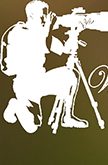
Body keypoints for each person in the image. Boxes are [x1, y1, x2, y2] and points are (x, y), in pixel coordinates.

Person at [2, 2, 83, 132]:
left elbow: (63, 49)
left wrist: (73, 35)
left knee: (71, 76)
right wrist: (48, 28)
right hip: (25, 84)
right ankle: (15, 105)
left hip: (40, 80)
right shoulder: (18, 32)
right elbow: (40, 43)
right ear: (32, 15)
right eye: (43, 16)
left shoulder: (42, 33)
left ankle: (67, 117)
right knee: (32, 127)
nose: (46, 19)